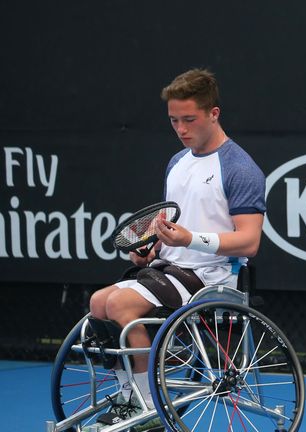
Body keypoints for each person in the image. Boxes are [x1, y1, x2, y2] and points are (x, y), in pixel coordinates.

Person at [88, 68, 266, 428]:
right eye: (173, 121)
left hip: (212, 278)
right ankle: (129, 397)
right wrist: (149, 250)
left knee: (120, 303)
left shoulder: (240, 168)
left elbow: (250, 241)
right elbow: (170, 226)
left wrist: (189, 240)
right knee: (98, 303)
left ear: (214, 113)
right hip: (169, 271)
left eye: (190, 119)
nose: (181, 129)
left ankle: (148, 406)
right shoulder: (177, 163)